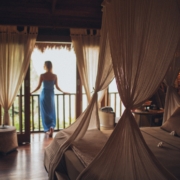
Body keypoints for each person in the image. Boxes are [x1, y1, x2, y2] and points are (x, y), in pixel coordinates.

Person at [31, 61, 68, 137]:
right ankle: (51, 128)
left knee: (45, 113)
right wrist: (63, 92)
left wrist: (31, 92)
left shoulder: (42, 75)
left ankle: (48, 129)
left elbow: (38, 87)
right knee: (51, 112)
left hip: (44, 95)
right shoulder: (54, 76)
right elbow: (57, 87)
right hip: (51, 96)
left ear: (45, 66)